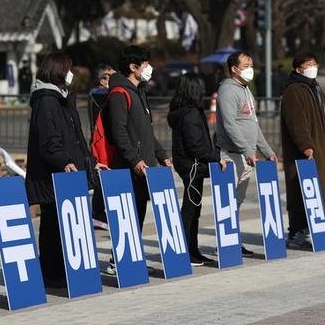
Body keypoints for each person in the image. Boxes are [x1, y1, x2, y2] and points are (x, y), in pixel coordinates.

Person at [25, 52, 107, 288]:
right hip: (52, 176)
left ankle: (61, 271)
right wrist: (63, 162)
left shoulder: (62, 97)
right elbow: (49, 140)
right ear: (59, 70)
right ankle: (51, 274)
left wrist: (89, 163)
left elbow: (76, 139)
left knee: (61, 226)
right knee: (52, 225)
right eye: (69, 68)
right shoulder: (46, 99)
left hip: (66, 173)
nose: (72, 73)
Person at [103, 45, 171, 274]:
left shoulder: (138, 92)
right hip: (129, 166)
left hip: (145, 165)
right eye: (145, 64)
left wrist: (162, 156)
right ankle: (118, 260)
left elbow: (146, 132)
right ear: (133, 67)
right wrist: (134, 159)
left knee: (138, 211)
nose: (149, 68)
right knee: (127, 214)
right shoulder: (119, 94)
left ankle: (130, 255)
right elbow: (119, 131)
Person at [214, 51, 277, 256]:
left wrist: (267, 151)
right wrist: (247, 150)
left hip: (246, 156)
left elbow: (253, 124)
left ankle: (234, 240)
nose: (251, 68)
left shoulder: (245, 89)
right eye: (246, 64)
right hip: (232, 155)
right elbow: (230, 124)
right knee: (228, 201)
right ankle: (226, 242)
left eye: (251, 64)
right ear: (234, 68)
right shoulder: (228, 91)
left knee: (237, 201)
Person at [168, 72, 226, 266]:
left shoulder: (184, 110)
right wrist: (217, 158)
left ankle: (193, 249)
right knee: (191, 209)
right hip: (192, 165)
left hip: (188, 164)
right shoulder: (191, 113)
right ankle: (187, 251)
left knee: (194, 207)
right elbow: (197, 146)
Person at [280, 53, 325, 249]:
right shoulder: (295, 90)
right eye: (308, 64)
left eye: (314, 63)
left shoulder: (315, 87)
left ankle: (306, 231)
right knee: (300, 193)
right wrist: (305, 145)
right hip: (304, 152)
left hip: (320, 148)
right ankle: (296, 234)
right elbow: (297, 122)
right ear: (298, 69)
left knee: (315, 191)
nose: (313, 67)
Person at [88, 63, 116, 230]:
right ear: (102, 79)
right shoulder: (98, 93)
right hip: (100, 140)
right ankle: (98, 213)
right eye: (109, 77)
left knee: (105, 175)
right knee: (102, 174)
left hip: (105, 139)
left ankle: (100, 212)